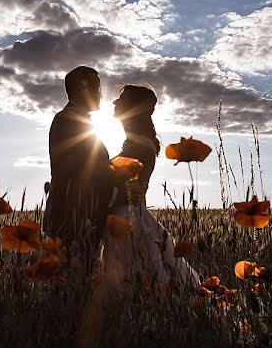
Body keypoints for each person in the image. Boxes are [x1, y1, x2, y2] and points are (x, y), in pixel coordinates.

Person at [101, 84, 200, 288]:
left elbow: (126, 192)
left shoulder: (141, 146)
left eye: (122, 99)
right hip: (122, 220)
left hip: (127, 222)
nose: (114, 102)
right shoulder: (132, 144)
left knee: (134, 280)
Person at [43, 66, 114, 272]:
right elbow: (84, 170)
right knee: (73, 278)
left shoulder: (76, 121)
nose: (101, 94)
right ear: (81, 90)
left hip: (81, 216)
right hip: (73, 216)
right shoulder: (68, 122)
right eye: (96, 87)